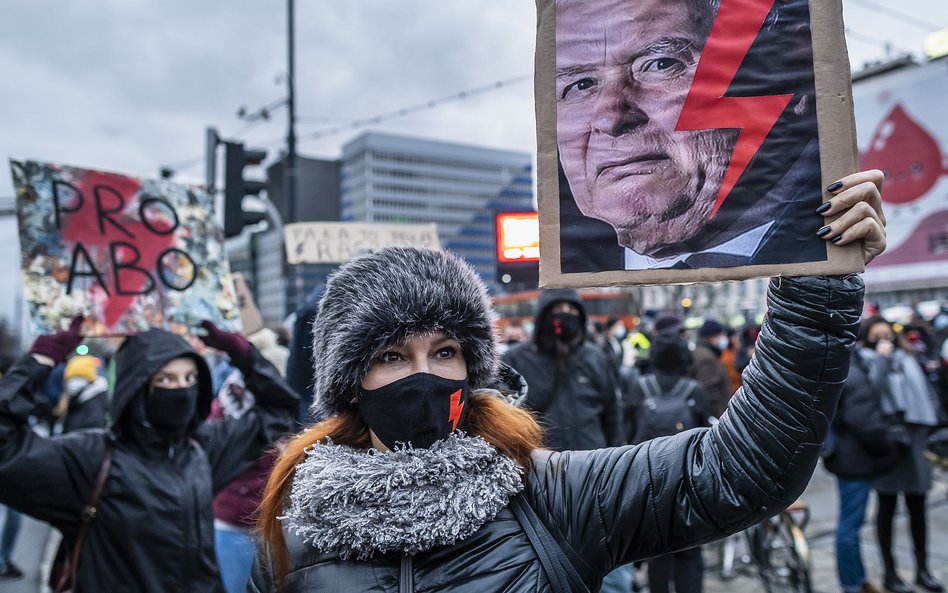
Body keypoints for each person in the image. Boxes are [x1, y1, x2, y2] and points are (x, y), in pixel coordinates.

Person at [247, 169, 887, 593]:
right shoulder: (293, 528)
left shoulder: (550, 493)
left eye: (445, 350)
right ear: (351, 380)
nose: (423, 374)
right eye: (391, 353)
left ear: (473, 369)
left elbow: (740, 469)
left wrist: (813, 291)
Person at [0, 319, 299, 592]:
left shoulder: (200, 448)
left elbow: (277, 411)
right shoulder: (89, 459)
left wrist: (243, 353)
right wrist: (40, 361)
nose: (181, 389)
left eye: (190, 378)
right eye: (165, 380)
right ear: (137, 387)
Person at [555, 0, 825, 271]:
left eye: (661, 64)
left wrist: (828, 290)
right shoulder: (571, 269)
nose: (609, 118)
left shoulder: (842, 231)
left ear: (789, 67)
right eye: (581, 85)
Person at [859, 316, 944, 593]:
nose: (884, 340)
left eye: (888, 335)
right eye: (877, 336)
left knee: (918, 508)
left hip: (915, 441)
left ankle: (922, 569)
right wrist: (882, 359)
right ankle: (890, 573)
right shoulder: (866, 361)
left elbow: (926, 393)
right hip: (888, 443)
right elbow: (871, 392)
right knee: (887, 509)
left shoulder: (907, 358)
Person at [627, 331, 711, 593]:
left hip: (648, 480)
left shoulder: (640, 387)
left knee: (658, 552)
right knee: (690, 552)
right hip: (688, 483)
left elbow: (626, 432)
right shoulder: (693, 389)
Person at [503, 288, 622, 451]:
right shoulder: (516, 358)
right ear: (543, 315)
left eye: (572, 309)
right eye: (558, 308)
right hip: (540, 466)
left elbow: (612, 414)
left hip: (592, 464)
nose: (565, 314)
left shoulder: (595, 356)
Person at [822, 350, 899, 593]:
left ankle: (857, 579)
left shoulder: (835, 369)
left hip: (845, 456)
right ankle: (852, 584)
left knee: (849, 524)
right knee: (849, 526)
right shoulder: (852, 373)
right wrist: (889, 445)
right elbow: (865, 421)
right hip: (854, 459)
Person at [689, 319, 733, 419]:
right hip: (717, 417)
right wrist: (721, 418)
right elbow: (710, 392)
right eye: (721, 335)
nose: (724, 338)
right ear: (711, 337)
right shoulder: (707, 358)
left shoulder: (704, 353)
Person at [58, 354, 109, 433]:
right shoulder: (74, 399)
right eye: (71, 378)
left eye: (80, 377)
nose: (74, 382)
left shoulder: (94, 401)